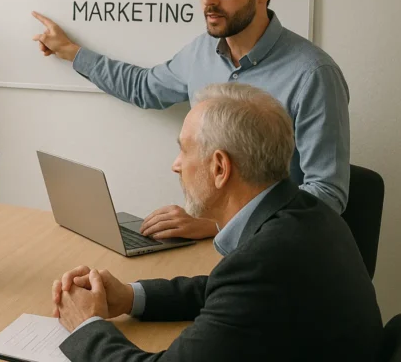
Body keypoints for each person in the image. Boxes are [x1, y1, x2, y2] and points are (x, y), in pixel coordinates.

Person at [32, 0, 350, 241]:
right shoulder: (201, 52)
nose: (208, 1)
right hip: (203, 249)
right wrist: (72, 53)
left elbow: (326, 193)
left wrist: (219, 226)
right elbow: (144, 87)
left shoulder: (313, 74)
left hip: (275, 252)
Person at [50, 83, 382, 362]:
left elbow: (241, 284)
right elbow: (222, 290)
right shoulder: (305, 210)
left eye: (183, 151)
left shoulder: (265, 262)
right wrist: (129, 297)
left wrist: (85, 324)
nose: (176, 165)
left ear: (220, 168)